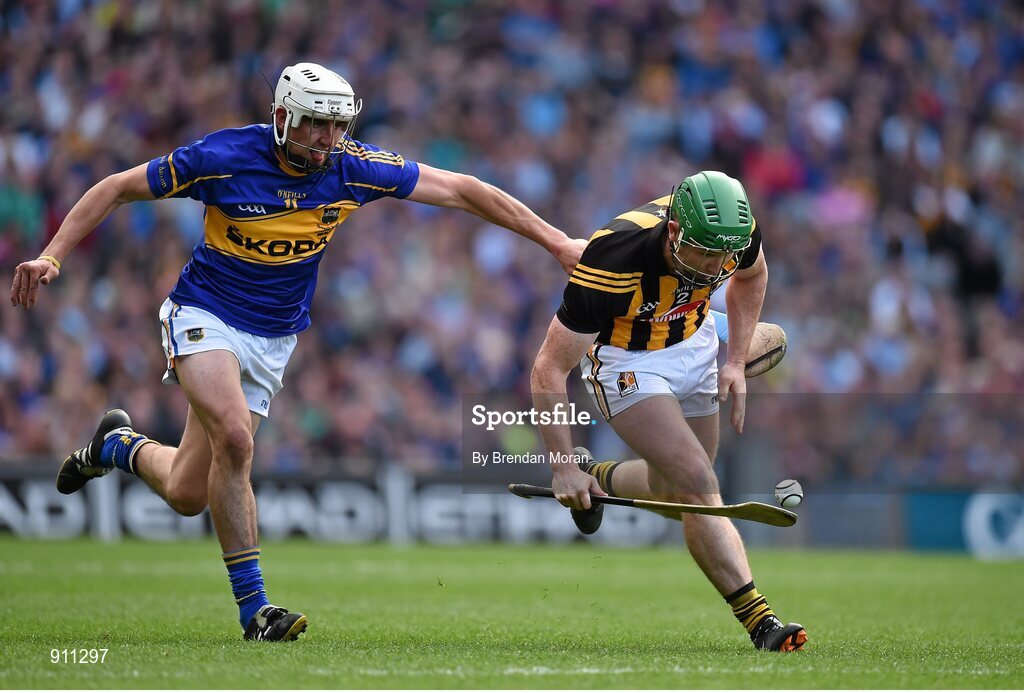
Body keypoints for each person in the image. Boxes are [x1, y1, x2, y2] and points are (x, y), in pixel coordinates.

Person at [9, 62, 585, 642]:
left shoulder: (355, 167)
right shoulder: (223, 157)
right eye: (314, 126)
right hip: (204, 313)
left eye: (337, 127)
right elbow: (116, 187)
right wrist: (53, 255)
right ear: (282, 117)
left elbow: (464, 190)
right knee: (235, 438)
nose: (327, 140)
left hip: (274, 338)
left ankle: (117, 444)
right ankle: (256, 611)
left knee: (187, 492)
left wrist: (557, 242)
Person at [530, 171, 807, 652]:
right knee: (700, 486)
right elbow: (547, 370)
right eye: (702, 252)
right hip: (626, 362)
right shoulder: (613, 258)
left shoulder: (732, 234)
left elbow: (752, 276)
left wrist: (736, 360)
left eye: (722, 255)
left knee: (672, 491)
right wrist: (562, 466)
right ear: (675, 231)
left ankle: (603, 479)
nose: (712, 265)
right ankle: (761, 622)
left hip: (695, 342)